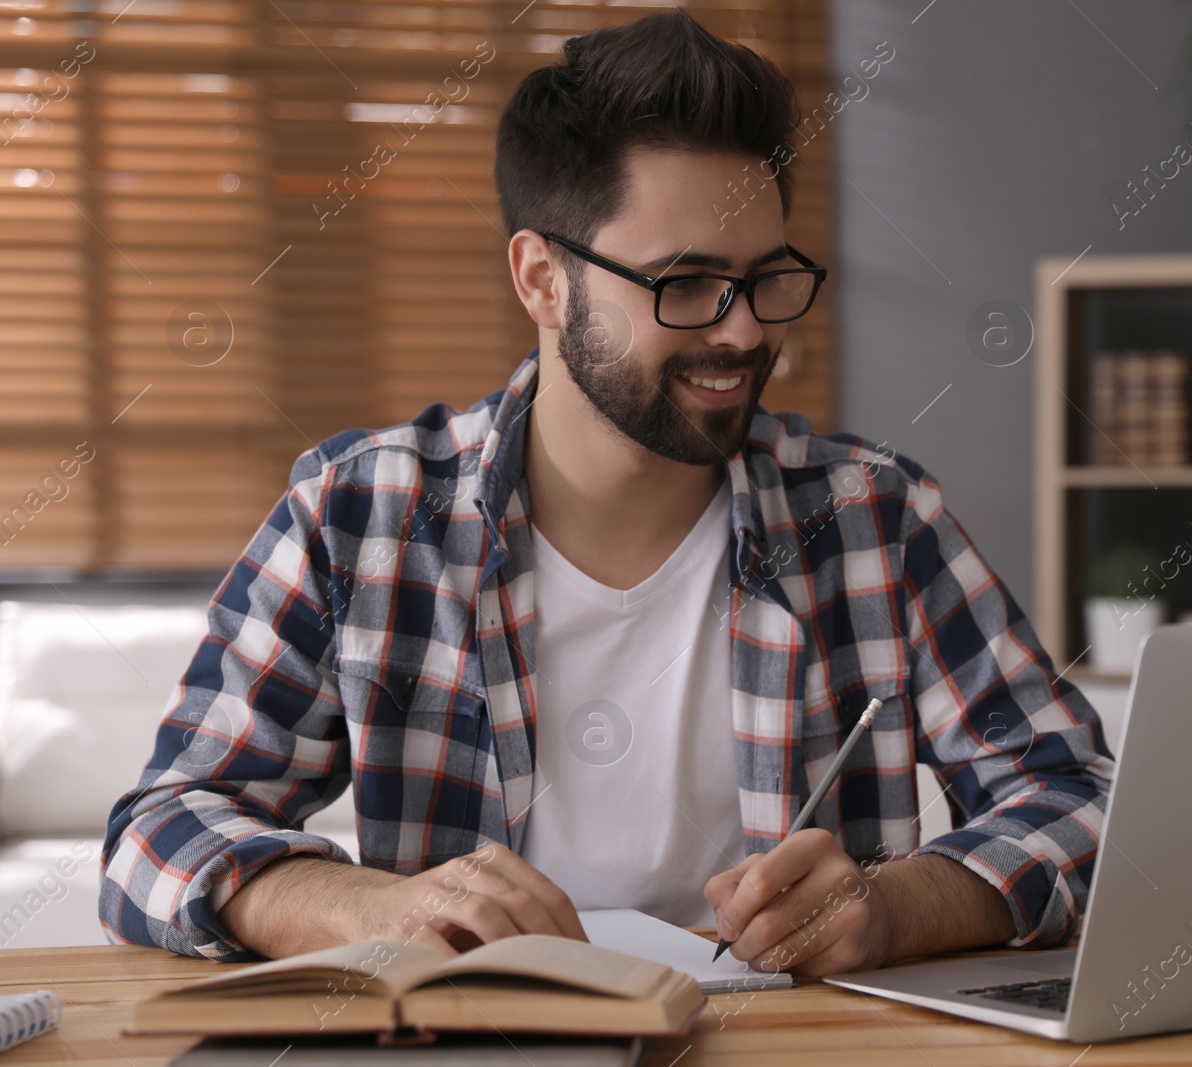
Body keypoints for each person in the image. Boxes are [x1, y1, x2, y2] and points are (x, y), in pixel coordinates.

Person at [99, 11, 1115, 978]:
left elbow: (1082, 798)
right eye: (684, 282)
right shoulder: (356, 515)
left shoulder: (873, 519)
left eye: (766, 278)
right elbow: (158, 830)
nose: (744, 332)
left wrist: (900, 906)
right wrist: (361, 907)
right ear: (541, 279)